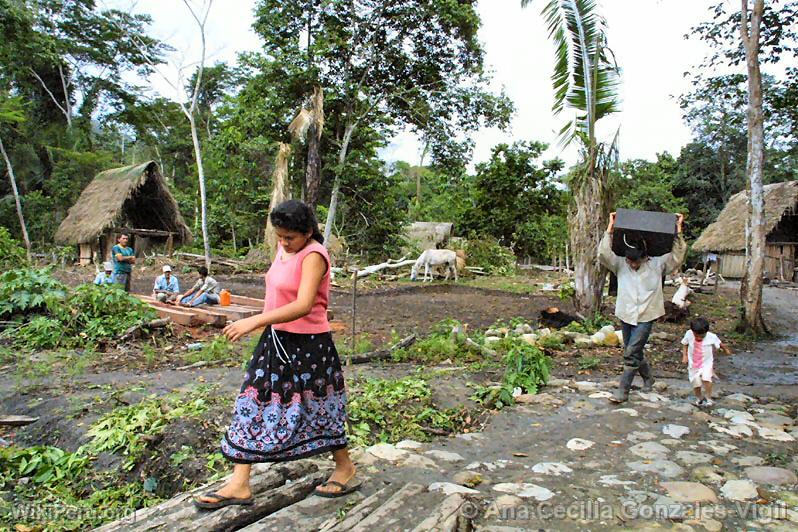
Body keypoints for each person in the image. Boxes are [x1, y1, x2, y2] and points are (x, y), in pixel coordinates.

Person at [194, 199, 355, 510]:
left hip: (310, 344)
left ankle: (344, 467)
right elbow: (278, 293)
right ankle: (239, 483)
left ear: (307, 232)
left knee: (321, 405)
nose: (283, 242)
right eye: (279, 236)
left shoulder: (313, 255)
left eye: (289, 237)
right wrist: (265, 323)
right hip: (277, 338)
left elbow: (303, 304)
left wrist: (254, 320)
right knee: (252, 401)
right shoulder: (285, 249)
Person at [598, 211, 687, 403]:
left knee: (631, 353)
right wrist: (610, 227)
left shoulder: (657, 265)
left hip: (647, 315)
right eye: (629, 260)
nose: (632, 264)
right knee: (632, 351)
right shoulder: (620, 265)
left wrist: (678, 230)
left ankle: (623, 392)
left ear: (644, 257)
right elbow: (604, 253)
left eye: (635, 261)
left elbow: (677, 256)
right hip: (626, 313)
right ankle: (648, 378)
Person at [681, 317, 732, 407]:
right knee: (695, 382)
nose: (699, 338)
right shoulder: (689, 334)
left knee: (707, 379)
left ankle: (708, 398)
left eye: (702, 336)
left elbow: (720, 343)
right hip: (693, 364)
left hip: (706, 363)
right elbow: (685, 344)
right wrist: (685, 356)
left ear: (706, 333)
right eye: (696, 336)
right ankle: (699, 397)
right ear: (692, 331)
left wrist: (726, 350)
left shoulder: (711, 337)